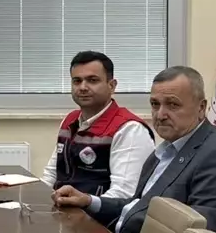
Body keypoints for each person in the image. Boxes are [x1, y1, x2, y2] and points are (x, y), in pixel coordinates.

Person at [52, 66, 216, 233]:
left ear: (201, 108)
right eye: (155, 104)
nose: (160, 115)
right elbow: (137, 206)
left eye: (173, 104)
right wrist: (89, 201)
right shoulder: (168, 149)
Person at [41, 51, 154, 199]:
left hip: (98, 213)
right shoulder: (69, 120)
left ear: (111, 86)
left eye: (92, 80)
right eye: (77, 81)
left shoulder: (130, 129)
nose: (82, 87)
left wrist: (85, 204)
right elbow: (51, 175)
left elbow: (123, 195)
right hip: (61, 207)